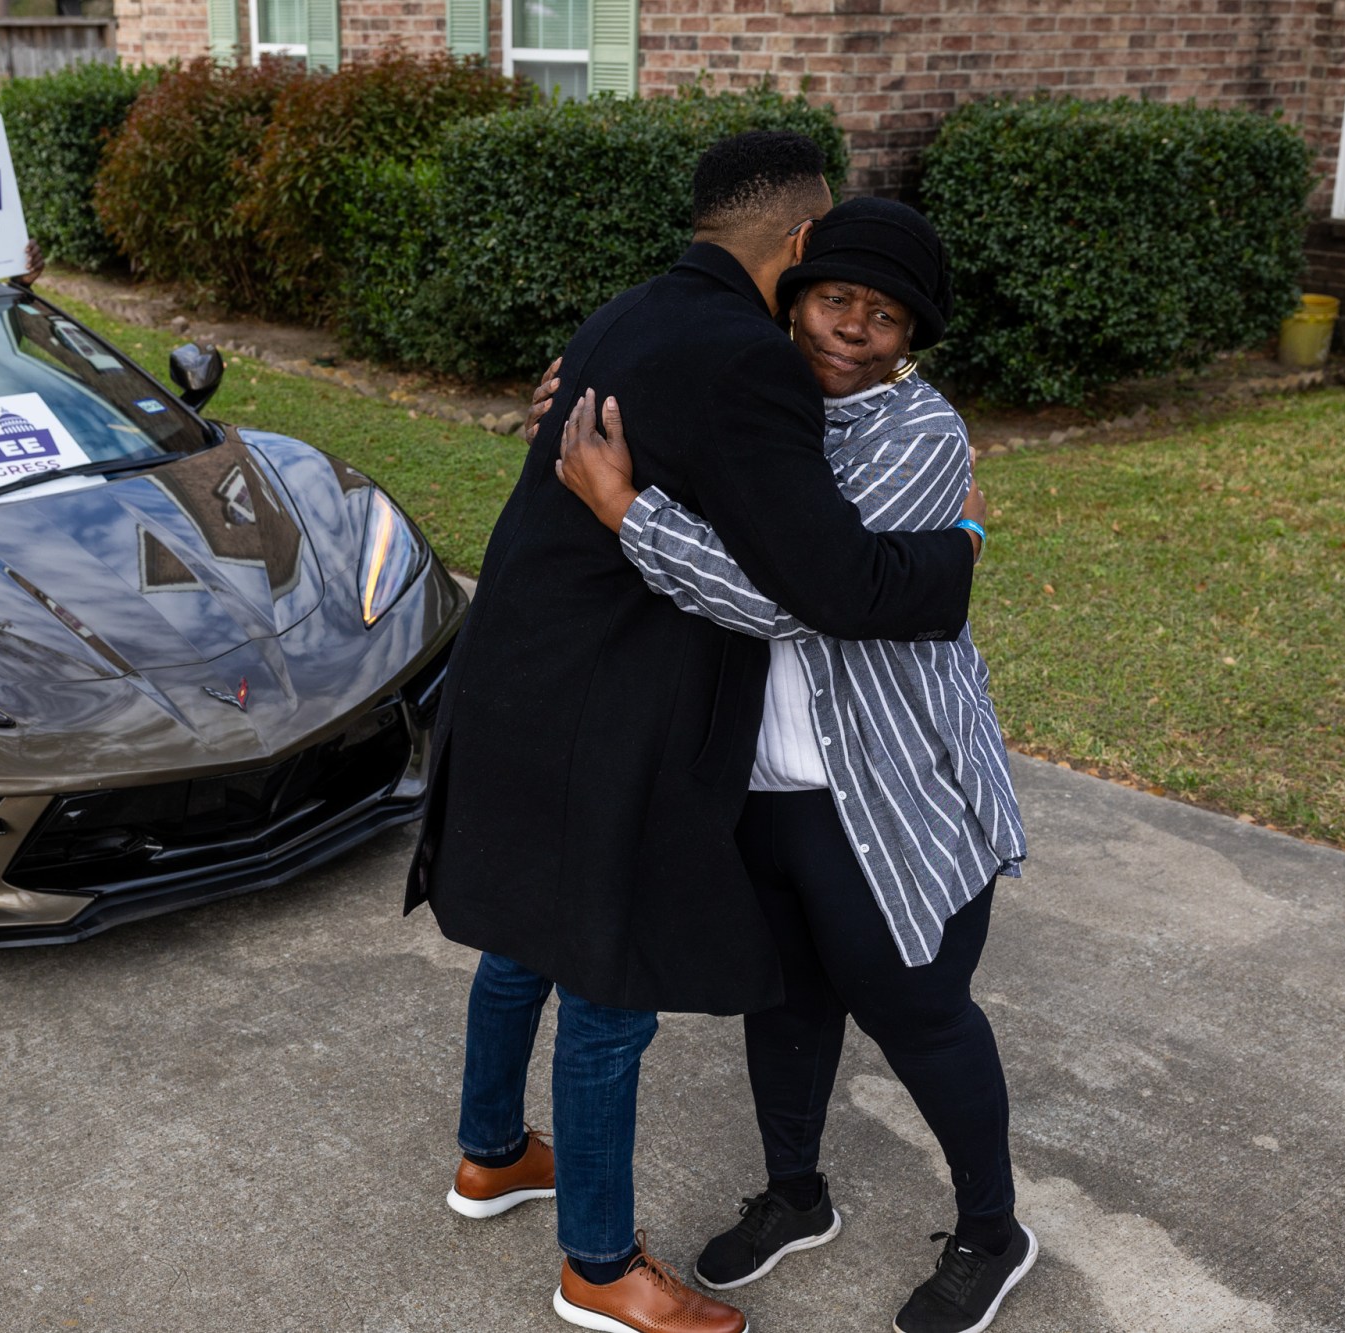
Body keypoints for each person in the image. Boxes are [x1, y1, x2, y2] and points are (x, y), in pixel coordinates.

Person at [405, 133, 983, 1333]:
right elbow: (822, 587)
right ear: (792, 243)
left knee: (524, 940)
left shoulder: (629, 315)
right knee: (610, 982)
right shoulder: (743, 362)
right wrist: (955, 554)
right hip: (605, 708)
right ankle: (601, 1268)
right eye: (822, 261)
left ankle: (490, 1153)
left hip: (508, 676)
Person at [550, 196, 1033, 1333]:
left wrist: (631, 515)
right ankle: (794, 1191)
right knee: (786, 1000)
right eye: (834, 299)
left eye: (884, 317)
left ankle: (990, 1230)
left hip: (886, 789)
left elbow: (797, 598)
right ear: (792, 297)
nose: (852, 330)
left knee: (918, 1012)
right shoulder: (751, 395)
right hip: (759, 783)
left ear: (911, 339)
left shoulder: (921, 439)